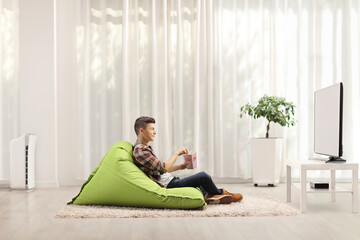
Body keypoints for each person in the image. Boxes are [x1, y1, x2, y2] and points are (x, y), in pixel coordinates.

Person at [132, 116, 243, 204]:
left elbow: (161, 170)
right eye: (152, 129)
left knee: (199, 185)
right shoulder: (140, 150)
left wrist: (181, 166)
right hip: (168, 185)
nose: (155, 132)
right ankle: (221, 193)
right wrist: (177, 153)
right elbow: (163, 167)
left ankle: (211, 196)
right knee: (203, 176)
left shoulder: (144, 148)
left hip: (170, 180)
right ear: (142, 131)